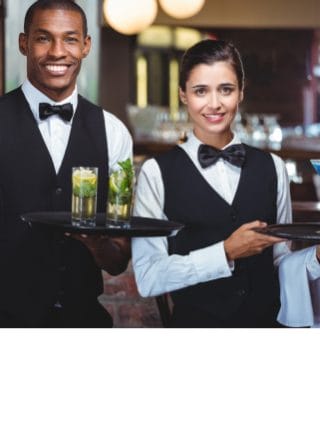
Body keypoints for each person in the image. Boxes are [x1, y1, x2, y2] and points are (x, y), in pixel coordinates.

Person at [132, 39, 320, 328]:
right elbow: (149, 277)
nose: (215, 103)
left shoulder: (274, 167)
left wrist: (316, 258)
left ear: (241, 92)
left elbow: (279, 263)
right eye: (200, 91)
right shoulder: (156, 173)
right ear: (183, 94)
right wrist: (226, 252)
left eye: (226, 89)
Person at [0, 0, 132, 327]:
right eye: (44, 38)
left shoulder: (113, 132)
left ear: (86, 46)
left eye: (70, 39)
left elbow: (118, 260)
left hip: (83, 321)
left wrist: (97, 244)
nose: (58, 51)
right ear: (24, 43)